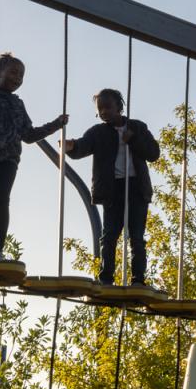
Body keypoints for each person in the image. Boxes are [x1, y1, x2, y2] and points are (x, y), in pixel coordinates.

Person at [0, 54, 68, 261]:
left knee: (1, 202)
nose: (18, 78)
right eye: (13, 72)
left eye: (21, 75)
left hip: (7, 160)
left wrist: (55, 125)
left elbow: (28, 135)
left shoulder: (17, 104)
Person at [62, 88, 161, 285]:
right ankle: (105, 277)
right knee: (109, 236)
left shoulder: (137, 127)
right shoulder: (98, 132)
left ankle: (138, 279)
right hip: (111, 188)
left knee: (137, 236)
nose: (104, 112)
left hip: (136, 187)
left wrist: (132, 139)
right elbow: (84, 145)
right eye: (100, 109)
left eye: (108, 107)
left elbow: (153, 153)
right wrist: (71, 146)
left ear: (119, 107)